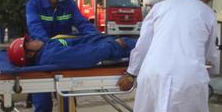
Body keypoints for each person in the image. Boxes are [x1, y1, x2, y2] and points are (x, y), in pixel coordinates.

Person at [7, 35, 136, 68]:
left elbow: (82, 42)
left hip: (110, 42)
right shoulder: (52, 55)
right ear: (30, 54)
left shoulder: (48, 47)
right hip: (121, 47)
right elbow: (87, 55)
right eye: (29, 42)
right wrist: (114, 45)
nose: (33, 39)